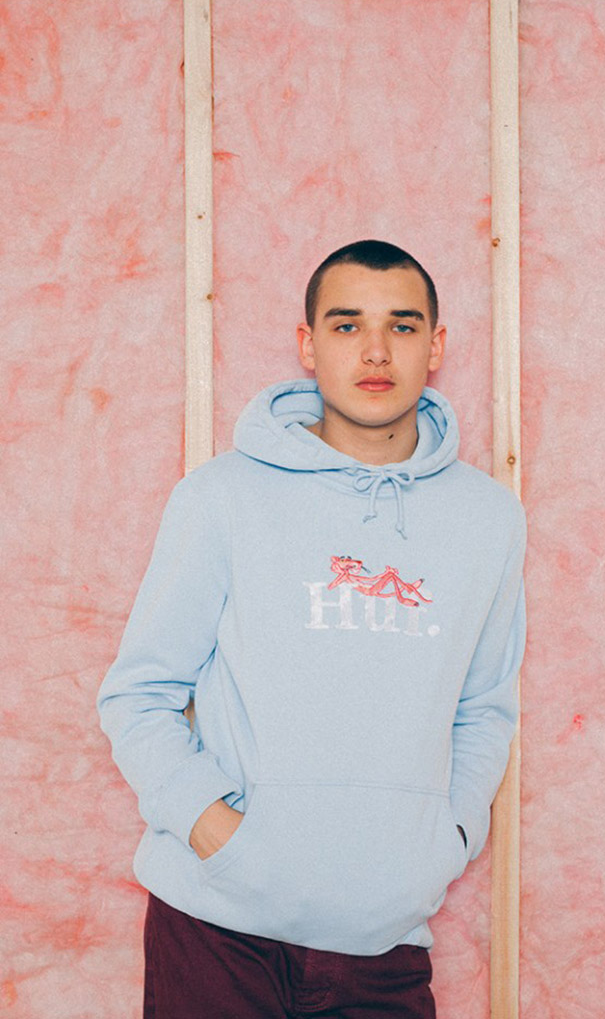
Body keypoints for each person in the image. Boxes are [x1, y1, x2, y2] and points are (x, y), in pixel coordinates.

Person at [97, 239, 527, 1019]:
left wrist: (446, 842)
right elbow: (139, 693)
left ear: (436, 346)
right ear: (307, 344)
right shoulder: (221, 497)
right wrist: (213, 830)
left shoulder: (489, 519)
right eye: (346, 324)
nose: (375, 350)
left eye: (401, 325)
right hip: (218, 928)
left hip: (384, 940)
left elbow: (484, 706)